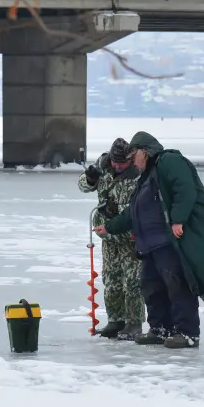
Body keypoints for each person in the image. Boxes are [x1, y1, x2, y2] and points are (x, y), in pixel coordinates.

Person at [95, 131, 204, 349]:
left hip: (168, 242)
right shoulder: (146, 176)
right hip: (149, 246)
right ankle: (160, 328)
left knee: (177, 286)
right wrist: (109, 227)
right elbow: (133, 212)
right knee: (151, 286)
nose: (131, 161)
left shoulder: (170, 161)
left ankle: (187, 332)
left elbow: (184, 190)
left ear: (144, 152)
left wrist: (177, 220)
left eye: (133, 155)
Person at [79, 137, 145, 340]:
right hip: (107, 237)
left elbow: (137, 210)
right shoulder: (104, 166)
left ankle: (133, 323)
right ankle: (115, 320)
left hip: (129, 237)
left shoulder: (137, 175)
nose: (117, 166)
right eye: (115, 163)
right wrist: (89, 178)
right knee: (111, 279)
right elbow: (84, 187)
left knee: (132, 282)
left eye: (122, 163)